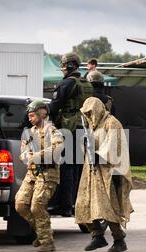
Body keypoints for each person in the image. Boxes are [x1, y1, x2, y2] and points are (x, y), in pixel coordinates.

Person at [75, 97, 133, 252]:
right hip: (91, 172)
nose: (89, 116)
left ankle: (119, 239)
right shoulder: (92, 126)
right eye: (86, 113)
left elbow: (115, 147)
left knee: (106, 208)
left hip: (108, 173)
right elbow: (87, 150)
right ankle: (97, 236)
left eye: (91, 112)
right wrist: (85, 142)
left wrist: (98, 155)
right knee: (83, 205)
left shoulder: (111, 123)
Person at [48, 52, 94, 217]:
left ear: (68, 65)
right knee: (79, 168)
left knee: (67, 167)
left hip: (70, 128)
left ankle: (66, 205)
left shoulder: (66, 84)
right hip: (85, 129)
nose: (61, 68)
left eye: (63, 65)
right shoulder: (87, 84)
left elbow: (53, 107)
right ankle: (77, 203)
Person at [15, 100, 63, 252]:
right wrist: (26, 156)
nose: (30, 119)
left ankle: (47, 242)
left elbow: (56, 149)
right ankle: (44, 232)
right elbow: (22, 154)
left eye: (32, 115)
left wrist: (36, 156)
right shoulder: (29, 133)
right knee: (20, 205)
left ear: (43, 113)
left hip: (48, 173)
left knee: (37, 206)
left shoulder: (53, 131)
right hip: (32, 174)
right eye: (28, 116)